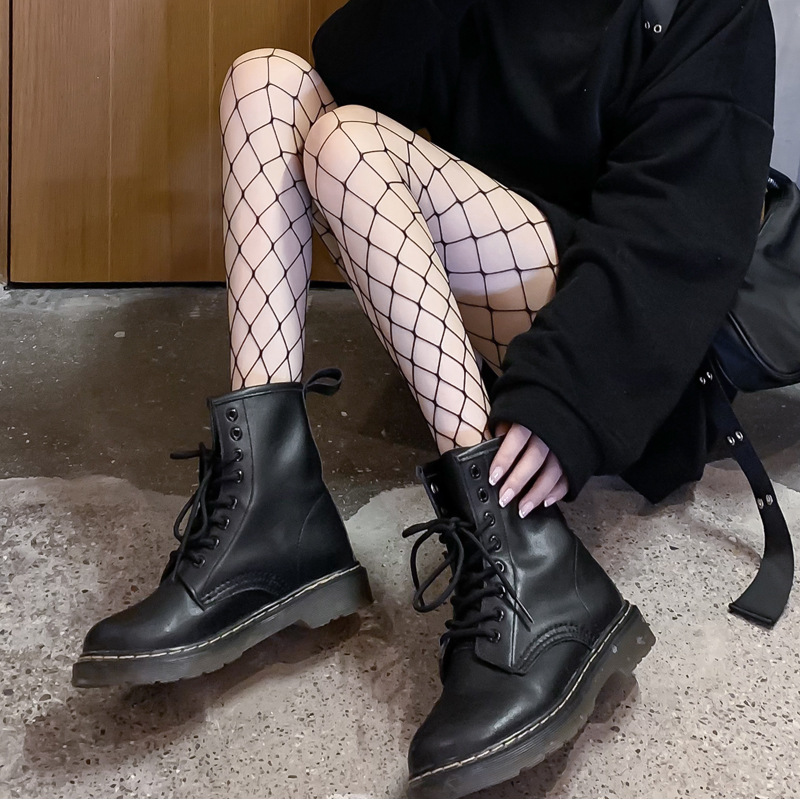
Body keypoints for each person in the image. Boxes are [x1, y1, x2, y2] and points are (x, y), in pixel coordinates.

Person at [72, 0, 776, 795]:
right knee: (263, 83)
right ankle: (267, 511)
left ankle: (533, 567)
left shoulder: (714, 12)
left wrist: (571, 402)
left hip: (618, 351)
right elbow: (359, 67)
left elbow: (679, 234)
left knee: (349, 146)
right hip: (477, 323)